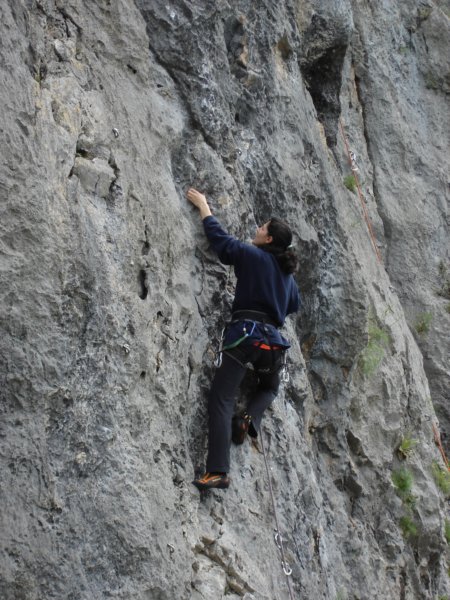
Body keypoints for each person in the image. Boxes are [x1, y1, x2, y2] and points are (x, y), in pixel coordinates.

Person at [186, 188, 300, 490]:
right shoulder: (289, 279)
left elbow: (221, 243)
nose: (257, 229)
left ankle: (218, 471)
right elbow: (294, 304)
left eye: (262, 228)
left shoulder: (252, 255)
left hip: (245, 337)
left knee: (222, 397)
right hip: (272, 346)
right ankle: (248, 419)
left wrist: (204, 207)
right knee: (270, 387)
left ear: (269, 239)